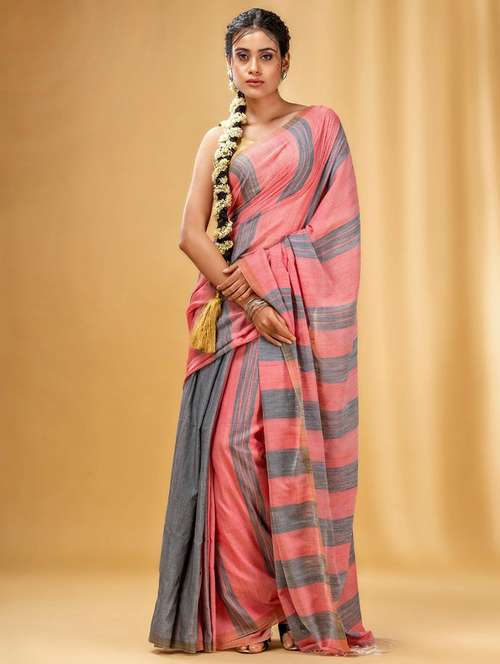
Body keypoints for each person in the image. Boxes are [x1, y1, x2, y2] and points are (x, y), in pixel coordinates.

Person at [148, 6, 377, 657]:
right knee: (229, 452)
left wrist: (280, 291)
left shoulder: (319, 127)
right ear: (229, 64)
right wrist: (249, 298)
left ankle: (293, 605)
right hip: (237, 315)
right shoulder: (217, 140)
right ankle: (247, 613)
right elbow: (190, 233)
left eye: (266, 55)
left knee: (285, 456)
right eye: (242, 56)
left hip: (295, 315)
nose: (254, 67)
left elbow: (338, 231)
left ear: (285, 62)